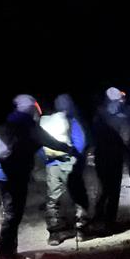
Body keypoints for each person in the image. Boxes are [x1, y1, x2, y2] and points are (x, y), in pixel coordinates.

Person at [0, 94, 76, 259]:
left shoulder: (6, 123)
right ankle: (6, 255)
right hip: (15, 174)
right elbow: (47, 140)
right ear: (30, 108)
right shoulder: (27, 123)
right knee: (13, 214)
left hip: (1, 173)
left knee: (11, 213)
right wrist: (68, 149)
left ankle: (9, 252)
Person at [39, 94, 90, 245]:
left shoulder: (46, 122)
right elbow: (80, 142)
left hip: (51, 164)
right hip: (69, 163)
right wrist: (75, 159)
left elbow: (40, 145)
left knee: (53, 198)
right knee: (77, 193)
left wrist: (47, 160)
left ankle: (55, 233)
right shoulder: (70, 121)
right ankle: (81, 228)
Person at [92, 87, 129, 232]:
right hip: (113, 156)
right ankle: (108, 222)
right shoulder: (118, 119)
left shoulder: (98, 116)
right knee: (112, 190)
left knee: (105, 189)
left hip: (102, 156)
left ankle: (100, 219)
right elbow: (125, 139)